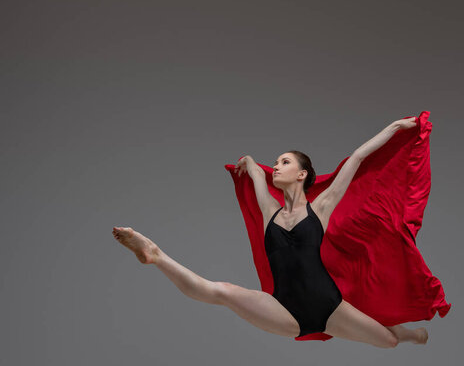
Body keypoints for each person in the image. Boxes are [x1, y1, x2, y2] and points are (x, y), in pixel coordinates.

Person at [112, 116, 429, 348]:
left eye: (285, 162)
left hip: (329, 306)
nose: (276, 166)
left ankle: (404, 333)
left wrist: (393, 129)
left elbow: (358, 159)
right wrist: (249, 162)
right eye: (275, 162)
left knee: (387, 341)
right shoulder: (269, 213)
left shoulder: (320, 209)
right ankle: (155, 254)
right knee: (220, 291)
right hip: (284, 309)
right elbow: (255, 176)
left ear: (302, 174)